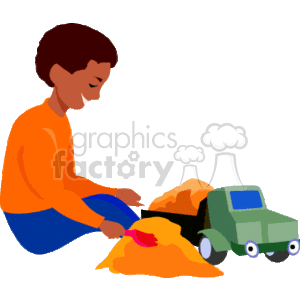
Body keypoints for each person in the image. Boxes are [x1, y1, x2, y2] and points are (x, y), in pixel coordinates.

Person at [0, 23, 143, 255]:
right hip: (31, 224)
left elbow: (68, 181)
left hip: (44, 211)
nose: (96, 96)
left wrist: (115, 191)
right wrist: (100, 223)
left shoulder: (58, 120)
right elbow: (55, 194)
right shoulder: (37, 127)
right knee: (108, 209)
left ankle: (152, 237)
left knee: (111, 202)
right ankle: (154, 246)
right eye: (92, 84)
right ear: (58, 74)